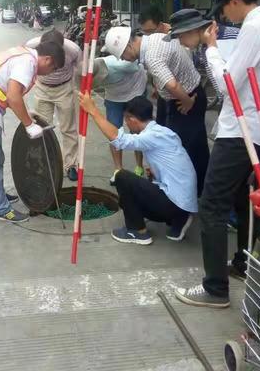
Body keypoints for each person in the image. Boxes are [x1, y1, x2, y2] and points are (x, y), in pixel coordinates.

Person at [175, 0, 260, 308]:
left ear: (234, 2)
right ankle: (243, 263)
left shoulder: (254, 27)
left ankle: (215, 288)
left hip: (241, 131)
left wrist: (211, 50)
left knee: (212, 205)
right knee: (241, 200)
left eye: (224, 11)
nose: (224, 19)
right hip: (257, 128)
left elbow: (226, 87)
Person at [0, 40, 65, 223]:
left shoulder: (22, 53)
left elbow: (5, 91)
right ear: (48, 60)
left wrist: (26, 113)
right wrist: (29, 125)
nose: (50, 73)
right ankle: (1, 209)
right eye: (53, 68)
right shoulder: (28, 63)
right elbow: (13, 96)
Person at [104, 27, 209, 196]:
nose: (124, 59)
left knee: (188, 148)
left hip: (186, 98)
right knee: (190, 144)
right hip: (185, 92)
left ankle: (191, 195)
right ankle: (188, 189)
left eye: (123, 55)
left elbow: (172, 85)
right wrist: (158, 87)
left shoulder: (151, 56)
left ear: (129, 46)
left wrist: (187, 101)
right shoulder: (155, 38)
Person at [79, 93, 197, 243]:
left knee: (121, 177)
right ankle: (180, 219)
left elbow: (118, 140)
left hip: (174, 203)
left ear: (132, 120)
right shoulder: (165, 132)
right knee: (136, 190)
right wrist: (157, 173)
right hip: (183, 203)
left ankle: (137, 231)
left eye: (126, 121)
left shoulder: (150, 136)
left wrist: (93, 110)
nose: (126, 125)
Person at [26, 29, 80, 181]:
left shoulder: (74, 49)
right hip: (42, 88)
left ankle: (71, 165)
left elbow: (81, 68)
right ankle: (44, 163)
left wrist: (81, 90)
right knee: (41, 127)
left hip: (64, 89)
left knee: (68, 129)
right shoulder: (32, 45)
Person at [88, 55, 148, 184]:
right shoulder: (92, 72)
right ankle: (118, 169)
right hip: (114, 96)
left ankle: (139, 166)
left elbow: (140, 66)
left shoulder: (121, 64)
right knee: (113, 132)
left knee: (137, 131)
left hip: (134, 91)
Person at [138, 5, 170, 125]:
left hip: (175, 92)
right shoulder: (151, 39)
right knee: (161, 123)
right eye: (144, 32)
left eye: (150, 31)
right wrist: (157, 87)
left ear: (160, 25)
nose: (148, 36)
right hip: (163, 90)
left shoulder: (173, 37)